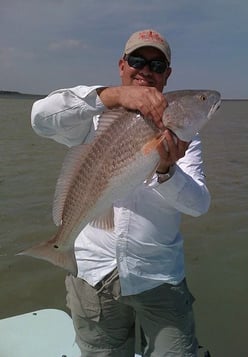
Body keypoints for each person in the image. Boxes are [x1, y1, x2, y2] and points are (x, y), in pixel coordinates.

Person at [31, 29, 211, 357]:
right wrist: (111, 97)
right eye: (137, 60)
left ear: (167, 75)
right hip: (93, 275)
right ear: (122, 65)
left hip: (159, 278)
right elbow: (40, 118)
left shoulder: (187, 139)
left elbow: (199, 205)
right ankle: (60, 246)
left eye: (157, 66)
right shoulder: (92, 116)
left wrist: (166, 171)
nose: (146, 70)